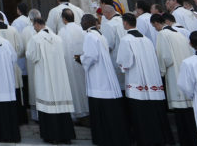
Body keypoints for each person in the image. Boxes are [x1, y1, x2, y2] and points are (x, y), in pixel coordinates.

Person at [117, 12, 173, 145]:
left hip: (137, 81)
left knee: (140, 113)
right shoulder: (146, 39)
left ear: (125, 23)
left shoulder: (126, 40)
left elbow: (125, 62)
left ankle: (145, 139)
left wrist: (121, 66)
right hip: (152, 80)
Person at [79, 14, 129, 146]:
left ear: (86, 22)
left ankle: (103, 138)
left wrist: (81, 59)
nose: (81, 24)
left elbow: (91, 56)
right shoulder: (100, 35)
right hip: (106, 75)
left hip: (98, 79)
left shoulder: (89, 36)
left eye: (82, 21)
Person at [27, 14, 75, 144]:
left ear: (37, 25)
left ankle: (52, 136)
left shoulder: (36, 39)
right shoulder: (58, 38)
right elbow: (63, 54)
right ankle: (66, 136)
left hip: (45, 77)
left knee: (47, 104)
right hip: (60, 77)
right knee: (61, 105)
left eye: (34, 26)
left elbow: (31, 56)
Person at [152, 13, 197, 145]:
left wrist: (161, 71)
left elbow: (165, 57)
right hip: (184, 72)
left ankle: (185, 139)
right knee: (189, 109)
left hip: (173, 73)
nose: (155, 28)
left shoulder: (162, 34)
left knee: (180, 109)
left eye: (154, 26)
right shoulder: (178, 33)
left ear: (156, 23)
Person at [58, 9, 88, 121]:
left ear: (64, 19)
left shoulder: (62, 31)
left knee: (73, 88)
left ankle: (76, 113)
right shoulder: (81, 29)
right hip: (82, 64)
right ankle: (86, 110)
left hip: (69, 66)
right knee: (83, 86)